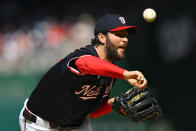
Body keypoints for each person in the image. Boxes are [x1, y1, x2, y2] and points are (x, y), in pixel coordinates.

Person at [19, 13, 147, 131]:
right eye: (119, 35)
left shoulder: (111, 72)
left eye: (125, 35)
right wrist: (124, 74)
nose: (125, 39)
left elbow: (94, 111)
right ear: (102, 38)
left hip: (76, 126)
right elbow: (85, 63)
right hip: (40, 125)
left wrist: (115, 103)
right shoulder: (84, 55)